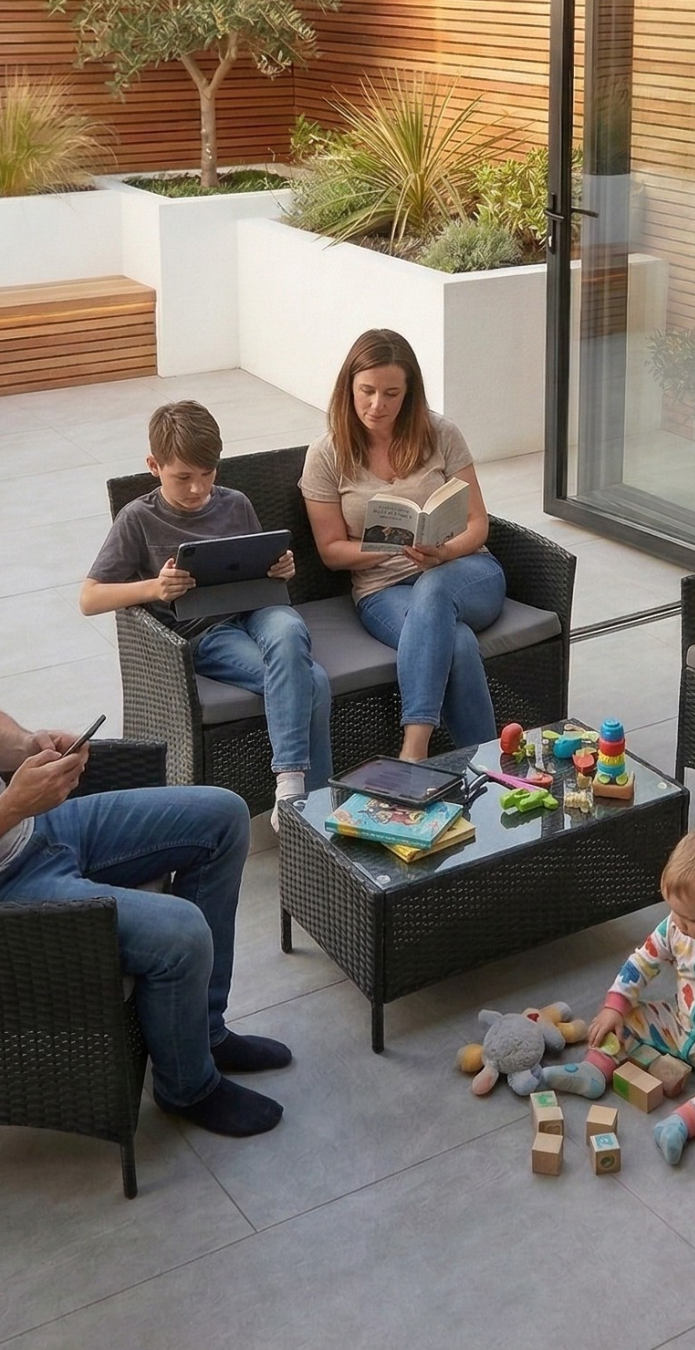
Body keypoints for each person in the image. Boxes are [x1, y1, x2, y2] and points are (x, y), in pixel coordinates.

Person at [0, 708, 290, 1136]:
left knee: (224, 818)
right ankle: (188, 1087)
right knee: (181, 934)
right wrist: (12, 806)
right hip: (11, 885)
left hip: (37, 827)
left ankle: (205, 1032)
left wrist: (29, 743)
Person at [80, 400, 332, 828]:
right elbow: (89, 598)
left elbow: (262, 565)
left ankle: (292, 788)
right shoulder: (138, 518)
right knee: (315, 681)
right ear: (154, 466)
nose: (197, 489)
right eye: (183, 477)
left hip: (258, 610)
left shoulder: (234, 503)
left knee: (289, 626)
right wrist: (154, 588)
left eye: (207, 474)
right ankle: (312, 799)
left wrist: (280, 568)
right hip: (206, 634)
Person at [300, 329, 506, 760]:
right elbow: (331, 551)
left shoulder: (441, 433)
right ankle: (488, 765)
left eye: (392, 393)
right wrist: (391, 547)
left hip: (466, 572)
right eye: (367, 391)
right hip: (383, 591)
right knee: (460, 643)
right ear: (348, 389)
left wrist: (444, 553)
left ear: (409, 393)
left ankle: (414, 751)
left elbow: (477, 523)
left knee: (435, 587)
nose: (378, 405)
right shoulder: (326, 455)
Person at [543, 830, 695, 1165]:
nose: (679, 923)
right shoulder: (675, 926)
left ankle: (682, 1123)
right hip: (677, 1023)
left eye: (690, 918)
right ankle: (594, 1070)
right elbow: (642, 962)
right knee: (628, 1019)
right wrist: (615, 1004)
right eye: (674, 912)